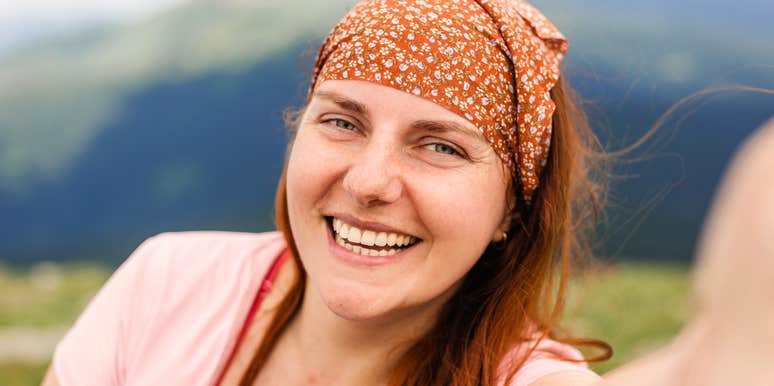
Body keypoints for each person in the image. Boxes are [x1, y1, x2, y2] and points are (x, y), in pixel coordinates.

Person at [42, 0, 773, 385]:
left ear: (511, 208)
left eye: (441, 146)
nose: (368, 182)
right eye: (342, 121)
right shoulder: (167, 284)